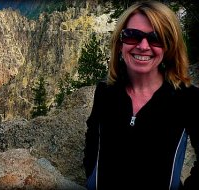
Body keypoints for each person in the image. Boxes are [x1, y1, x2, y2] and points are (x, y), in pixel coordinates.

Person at [83, 1, 199, 189]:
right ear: (120, 43)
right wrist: (91, 180)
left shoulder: (187, 98)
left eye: (156, 38)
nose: (143, 46)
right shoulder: (106, 92)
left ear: (169, 46)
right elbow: (92, 144)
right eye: (132, 36)